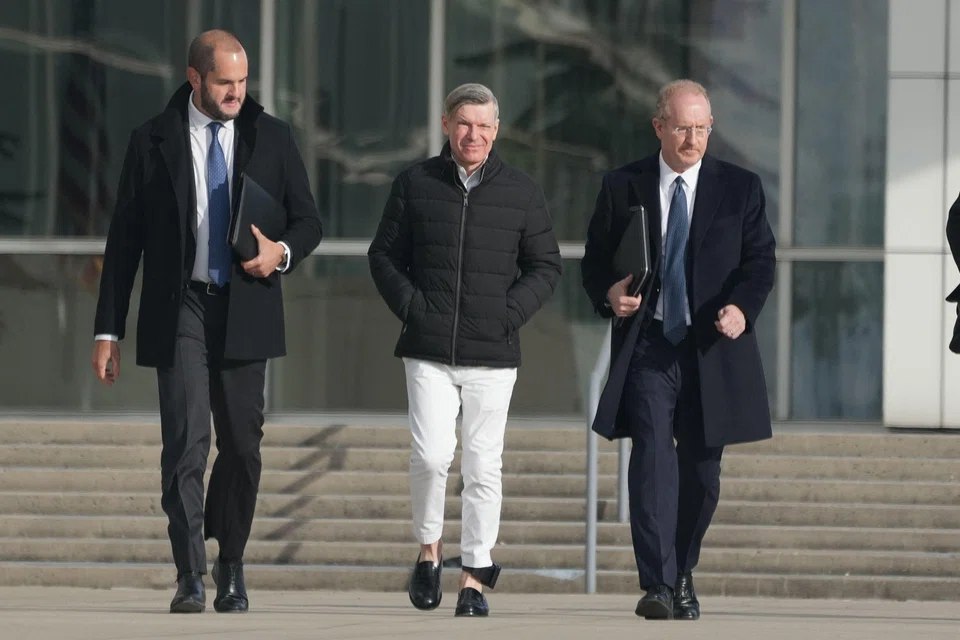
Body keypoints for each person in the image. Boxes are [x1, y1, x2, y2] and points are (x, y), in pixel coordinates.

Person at [90, 29, 322, 613]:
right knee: (187, 445)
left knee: (242, 447)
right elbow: (124, 243)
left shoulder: (271, 137)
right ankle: (190, 573)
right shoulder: (152, 141)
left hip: (246, 306)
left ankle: (232, 562)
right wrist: (107, 330)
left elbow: (308, 221)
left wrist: (281, 253)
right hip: (182, 308)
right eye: (225, 83)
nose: (236, 93)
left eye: (243, 82)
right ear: (195, 78)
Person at [580, 79, 775, 621]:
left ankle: (682, 568)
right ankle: (658, 584)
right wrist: (610, 293)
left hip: (712, 346)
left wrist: (741, 307)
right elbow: (595, 263)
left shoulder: (741, 188)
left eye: (703, 128)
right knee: (651, 461)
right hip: (650, 345)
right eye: (684, 127)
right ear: (659, 126)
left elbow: (760, 261)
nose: (693, 139)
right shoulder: (624, 186)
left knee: (703, 475)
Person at [368, 83, 562, 617]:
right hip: (428, 348)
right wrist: (413, 307)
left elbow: (545, 266)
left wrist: (508, 315)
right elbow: (383, 254)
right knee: (431, 456)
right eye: (463, 123)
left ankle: (474, 577)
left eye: (483, 125)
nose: (472, 134)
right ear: (446, 124)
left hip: (493, 355)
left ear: (496, 130)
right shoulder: (414, 184)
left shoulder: (521, 192)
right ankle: (429, 551)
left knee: (483, 466)